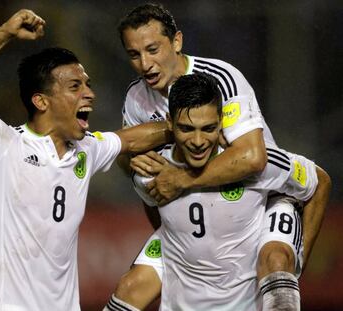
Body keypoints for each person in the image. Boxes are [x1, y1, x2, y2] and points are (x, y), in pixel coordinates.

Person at [0, 9, 171, 311]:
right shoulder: (0, 143)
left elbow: (135, 138)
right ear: (41, 100)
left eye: (87, 84)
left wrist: (193, 124)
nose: (89, 94)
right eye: (75, 86)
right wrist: (4, 33)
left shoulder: (85, 148)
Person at [104, 3, 328, 311]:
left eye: (153, 49)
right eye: (134, 54)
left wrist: (180, 178)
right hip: (198, 210)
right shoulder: (136, 99)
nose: (145, 63)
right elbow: (142, 172)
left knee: (276, 260)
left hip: (259, 200)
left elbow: (252, 158)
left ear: (177, 42)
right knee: (132, 286)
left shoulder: (220, 78)